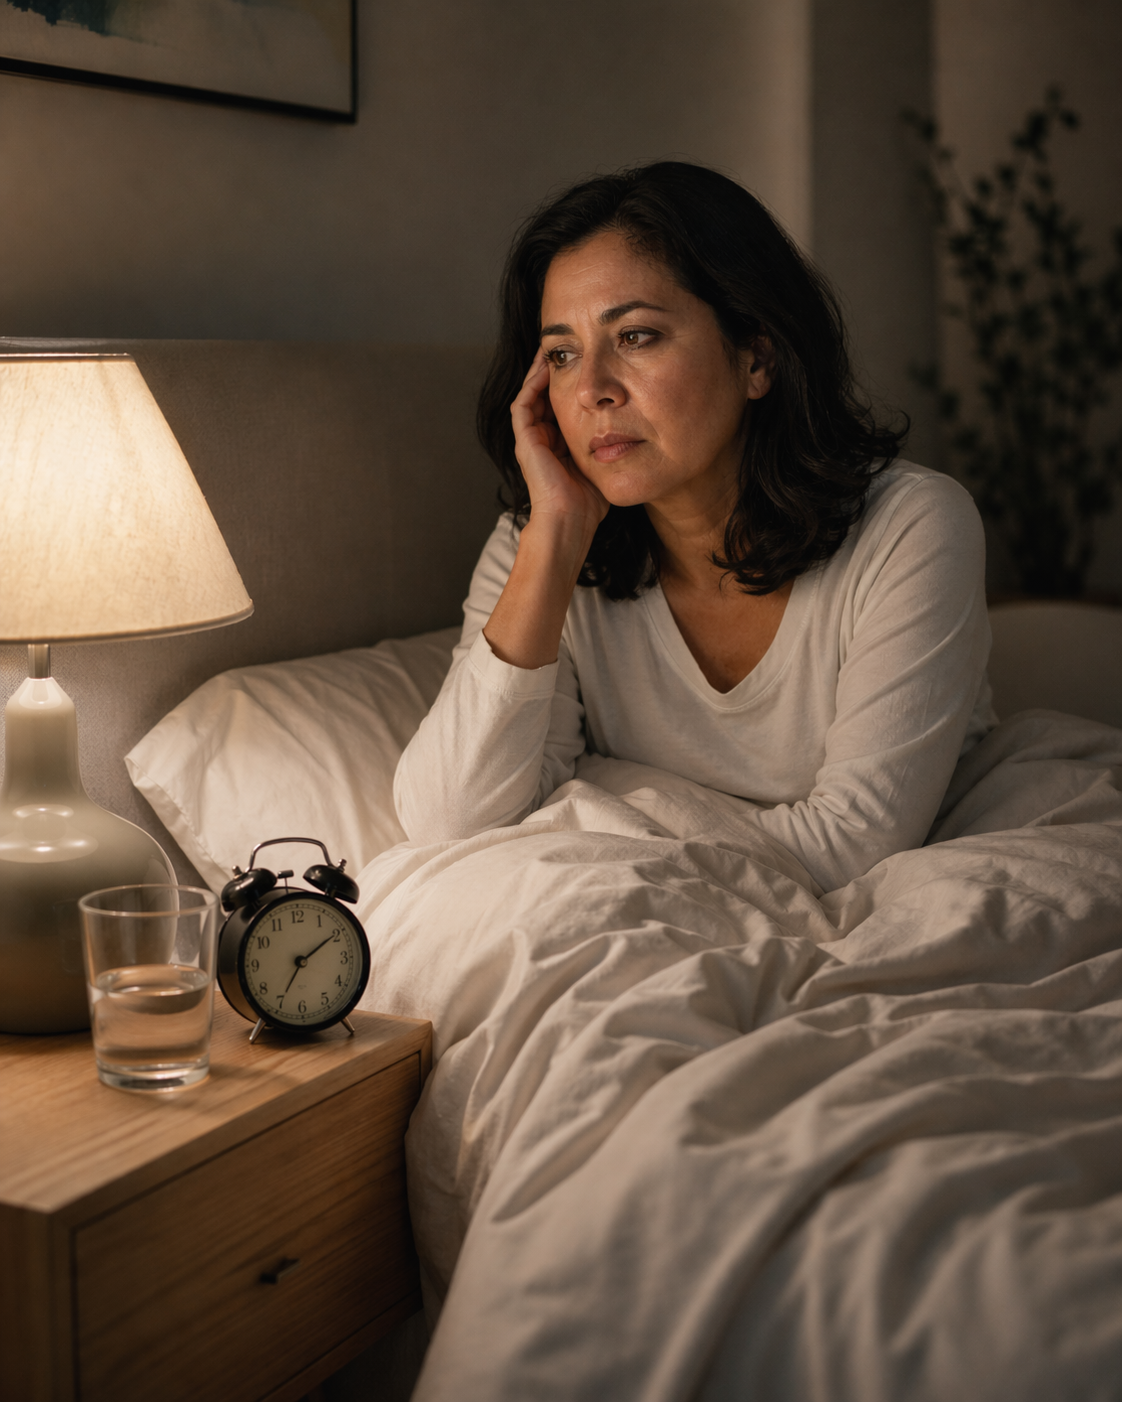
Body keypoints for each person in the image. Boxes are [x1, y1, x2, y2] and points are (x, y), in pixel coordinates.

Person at [394, 162, 994, 892]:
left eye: (637, 336)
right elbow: (447, 818)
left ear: (757, 356)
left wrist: (588, 797)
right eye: (561, 354)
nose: (591, 391)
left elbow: (850, 847)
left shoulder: (913, 526)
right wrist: (552, 536)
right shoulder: (545, 541)